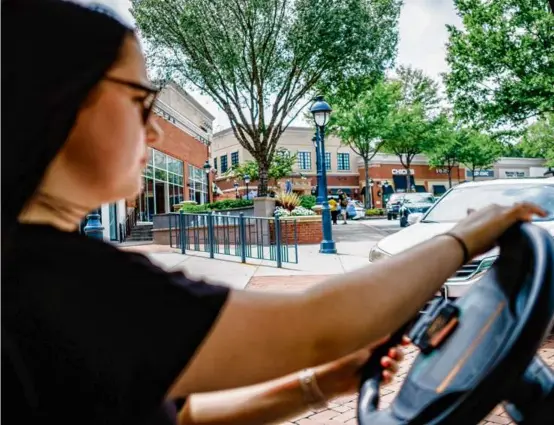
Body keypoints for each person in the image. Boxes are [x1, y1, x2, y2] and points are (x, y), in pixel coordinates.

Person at [2, 1, 547, 425]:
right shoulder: (59, 284)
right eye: (138, 98)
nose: (157, 129)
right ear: (61, 98)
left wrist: (319, 386)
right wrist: (468, 234)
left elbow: (179, 413)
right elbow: (321, 323)